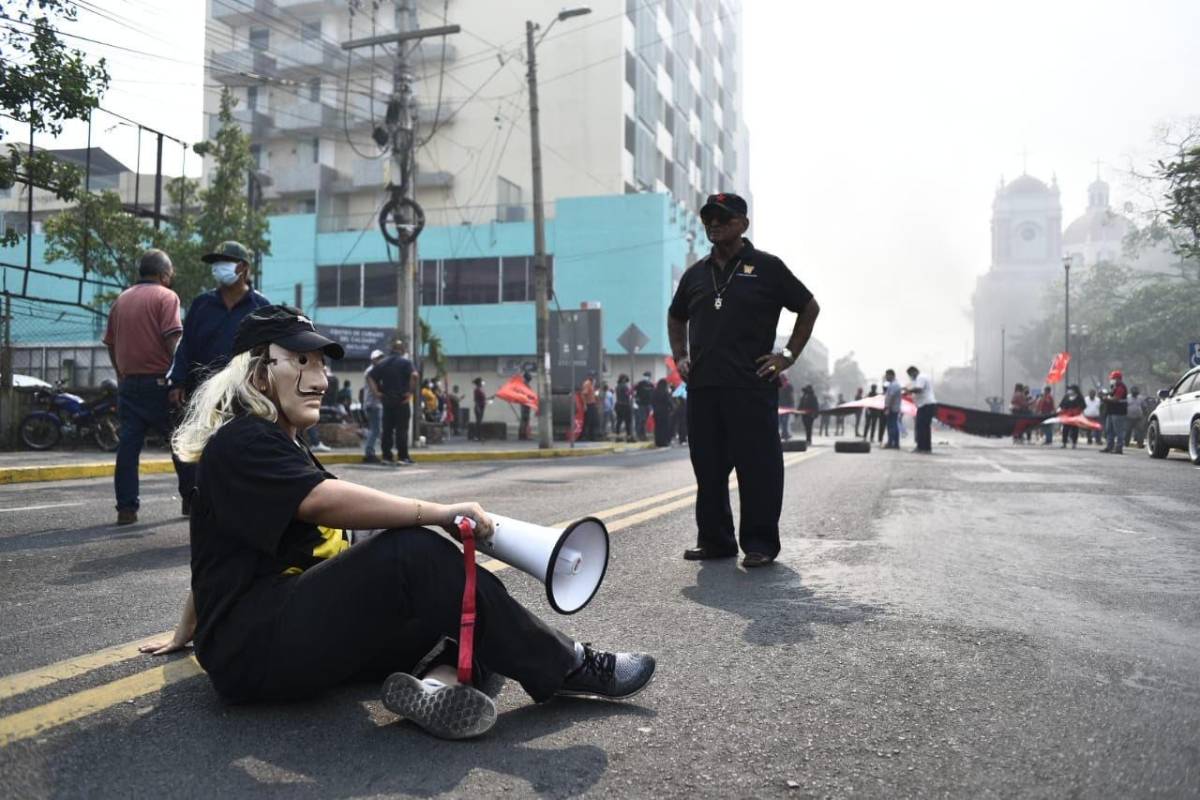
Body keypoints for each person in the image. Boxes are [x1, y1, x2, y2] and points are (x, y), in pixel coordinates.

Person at [139, 305, 655, 740]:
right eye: (300, 360)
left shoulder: (276, 442)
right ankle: (570, 666)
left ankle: (436, 688)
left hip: (275, 639)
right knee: (415, 554)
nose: (320, 379)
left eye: (321, 363)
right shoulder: (243, 441)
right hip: (255, 650)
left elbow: (216, 547)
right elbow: (321, 502)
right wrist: (438, 514)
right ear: (257, 371)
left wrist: (189, 629)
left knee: (470, 605)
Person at [667, 192, 820, 568]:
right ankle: (716, 540)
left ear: (742, 224)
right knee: (708, 467)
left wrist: (787, 355)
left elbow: (808, 307)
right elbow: (676, 316)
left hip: (751, 386)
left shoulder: (767, 268)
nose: (713, 224)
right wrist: (681, 356)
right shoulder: (695, 275)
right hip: (704, 387)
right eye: (708, 218)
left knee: (758, 467)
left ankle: (760, 543)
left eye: (722, 218)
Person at [167, 241, 271, 516]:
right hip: (201, 392)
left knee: (237, 451)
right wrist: (177, 381)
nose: (218, 268)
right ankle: (193, 494)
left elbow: (270, 352)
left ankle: (231, 505)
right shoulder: (202, 304)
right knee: (189, 447)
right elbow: (185, 345)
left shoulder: (261, 306)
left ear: (243, 268)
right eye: (216, 263)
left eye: (225, 261)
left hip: (244, 393)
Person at [103, 249, 182, 525]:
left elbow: (111, 343)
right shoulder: (166, 296)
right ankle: (192, 502)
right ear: (163, 274)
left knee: (128, 448)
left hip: (129, 386)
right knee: (181, 442)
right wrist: (181, 376)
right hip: (160, 385)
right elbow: (173, 339)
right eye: (170, 273)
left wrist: (120, 374)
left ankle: (126, 509)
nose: (171, 278)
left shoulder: (121, 299)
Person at [367, 340, 417, 466]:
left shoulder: (383, 363)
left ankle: (386, 457)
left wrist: (376, 393)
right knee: (402, 430)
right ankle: (402, 457)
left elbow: (370, 377)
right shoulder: (406, 362)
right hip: (401, 400)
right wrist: (410, 392)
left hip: (387, 400)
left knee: (387, 429)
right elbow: (414, 376)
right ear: (403, 350)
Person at [906, 365, 936, 453]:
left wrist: (909, 391)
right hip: (926, 405)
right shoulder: (923, 377)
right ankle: (926, 448)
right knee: (925, 427)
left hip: (925, 405)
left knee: (921, 427)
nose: (911, 377)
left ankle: (921, 447)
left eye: (910, 375)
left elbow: (919, 389)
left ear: (914, 372)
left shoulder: (920, 377)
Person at [362, 349, 384, 463]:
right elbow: (375, 391)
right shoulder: (371, 372)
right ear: (373, 360)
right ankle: (369, 452)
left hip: (373, 404)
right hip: (373, 404)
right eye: (378, 358)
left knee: (375, 429)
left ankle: (370, 451)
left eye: (381, 358)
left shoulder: (375, 370)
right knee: (375, 430)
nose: (380, 360)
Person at [1101, 370, 1128, 454]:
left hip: (1118, 413)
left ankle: (1119, 448)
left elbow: (1116, 399)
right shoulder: (1114, 387)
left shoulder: (1121, 387)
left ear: (1117, 379)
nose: (1111, 380)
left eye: (1113, 378)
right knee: (1109, 430)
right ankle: (1109, 446)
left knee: (1118, 431)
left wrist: (1106, 398)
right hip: (1111, 412)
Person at [1059, 383, 1085, 449]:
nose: (1070, 390)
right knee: (1065, 430)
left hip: (1075, 416)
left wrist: (1077, 410)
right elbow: (1062, 405)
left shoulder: (1079, 397)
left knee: (1075, 430)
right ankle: (1064, 443)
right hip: (1067, 416)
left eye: (1071, 389)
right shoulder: (1066, 396)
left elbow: (1083, 406)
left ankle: (1074, 443)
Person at [882, 369, 902, 449]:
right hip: (894, 407)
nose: (886, 377)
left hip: (892, 408)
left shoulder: (894, 385)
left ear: (891, 375)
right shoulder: (894, 384)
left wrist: (887, 407)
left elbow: (890, 397)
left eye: (887, 375)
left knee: (891, 425)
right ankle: (895, 443)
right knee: (894, 425)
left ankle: (891, 443)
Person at [651, 378, 673, 447]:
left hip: (656, 412)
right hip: (664, 413)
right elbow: (669, 402)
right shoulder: (665, 392)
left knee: (657, 428)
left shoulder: (654, 392)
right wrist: (672, 408)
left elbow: (652, 401)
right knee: (664, 428)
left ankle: (658, 442)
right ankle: (664, 442)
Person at [633, 372, 654, 441]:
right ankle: (640, 434)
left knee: (645, 420)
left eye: (648, 376)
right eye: (646, 376)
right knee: (642, 420)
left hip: (648, 404)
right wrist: (636, 400)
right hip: (641, 404)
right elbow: (634, 391)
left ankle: (643, 435)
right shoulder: (640, 384)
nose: (647, 377)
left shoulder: (651, 385)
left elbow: (653, 393)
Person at [614, 374, 634, 442]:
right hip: (625, 405)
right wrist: (631, 391)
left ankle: (617, 436)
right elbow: (628, 394)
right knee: (628, 421)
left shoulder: (617, 386)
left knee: (619, 421)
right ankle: (628, 437)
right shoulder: (625, 386)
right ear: (623, 379)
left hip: (618, 405)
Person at [778, 374, 795, 440]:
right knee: (781, 421)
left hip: (787, 406)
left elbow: (791, 397)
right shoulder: (779, 386)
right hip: (780, 406)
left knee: (785, 420)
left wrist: (792, 406)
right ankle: (784, 433)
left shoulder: (789, 386)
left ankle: (785, 434)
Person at [518, 371, 533, 440]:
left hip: (526, 403)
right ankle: (523, 435)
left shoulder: (525, 384)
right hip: (525, 403)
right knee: (524, 419)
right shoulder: (525, 385)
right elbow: (526, 394)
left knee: (525, 419)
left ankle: (523, 434)